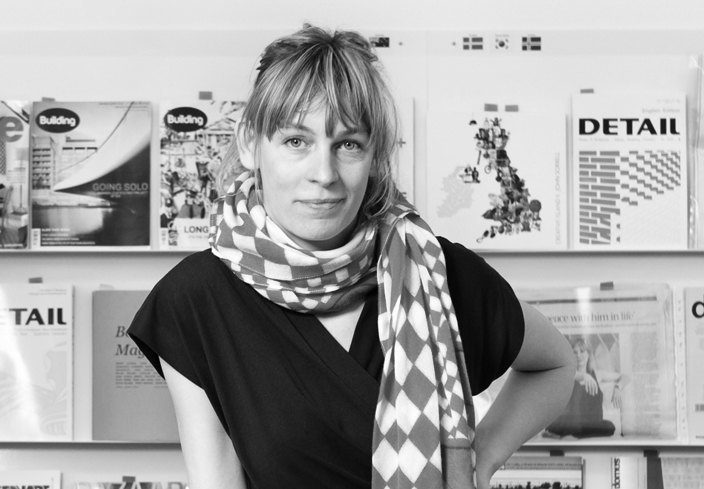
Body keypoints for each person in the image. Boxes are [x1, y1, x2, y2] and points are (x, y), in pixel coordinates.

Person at [128, 25, 576, 489]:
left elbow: (556, 364)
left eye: (348, 144)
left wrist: (478, 461)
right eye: (296, 141)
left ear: (373, 153)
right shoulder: (196, 300)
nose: (324, 174)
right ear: (250, 143)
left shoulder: (436, 273)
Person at [544, 337, 626, 439]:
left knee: (609, 426)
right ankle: (571, 434)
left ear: (588, 354)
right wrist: (584, 376)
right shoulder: (567, 374)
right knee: (570, 424)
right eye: (574, 352)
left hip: (591, 425)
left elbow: (625, 377)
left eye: (582, 351)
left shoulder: (597, 375)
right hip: (572, 423)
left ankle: (574, 435)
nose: (579, 355)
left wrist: (617, 387)